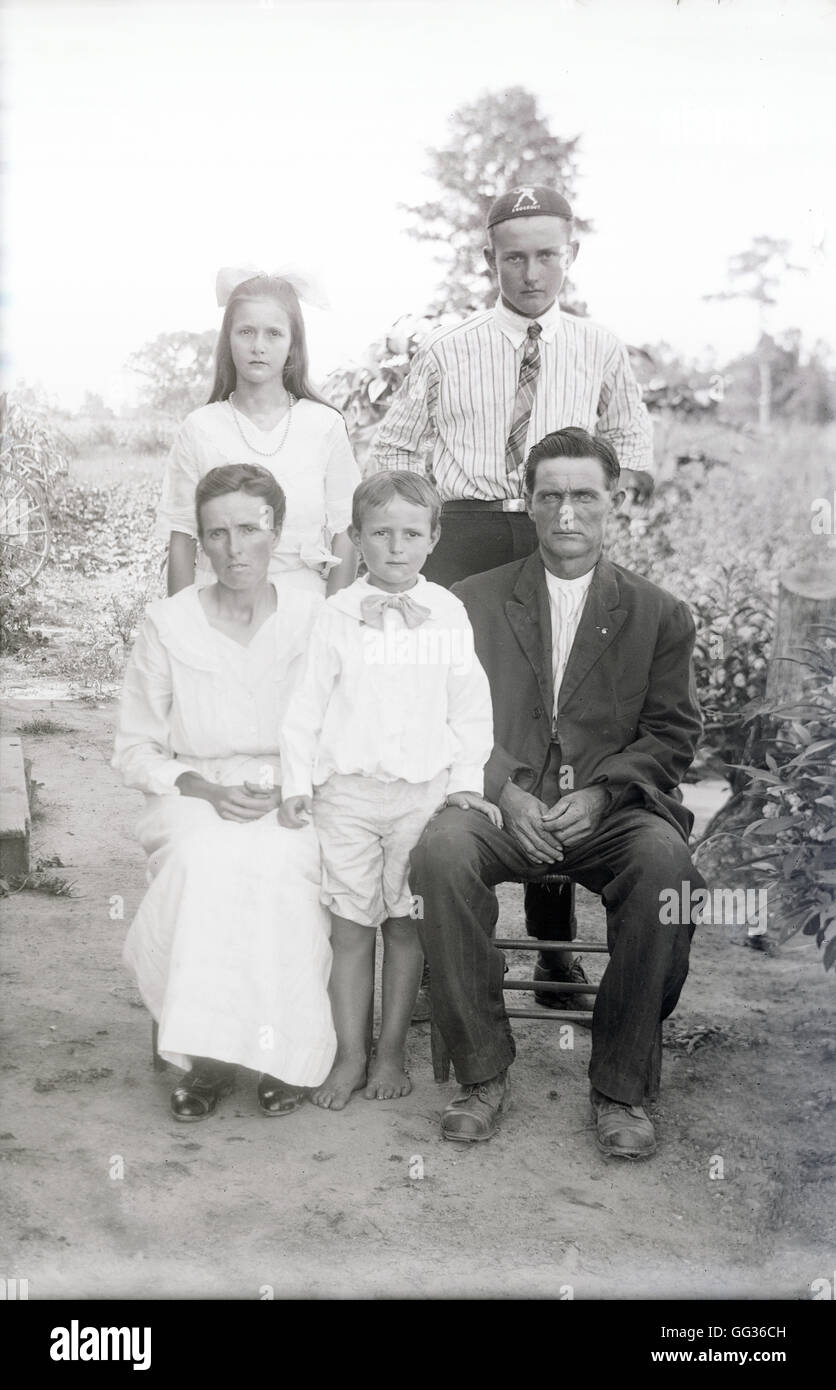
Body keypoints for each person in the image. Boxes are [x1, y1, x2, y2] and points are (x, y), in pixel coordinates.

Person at [373, 185, 655, 1002]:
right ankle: (442, 946)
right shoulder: (449, 347)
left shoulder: (599, 347)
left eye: (546, 254)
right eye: (513, 256)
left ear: (570, 254)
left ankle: (554, 948)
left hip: (556, 533)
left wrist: (599, 520)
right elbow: (393, 445)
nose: (531, 271)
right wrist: (420, 536)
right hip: (464, 536)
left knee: (552, 725)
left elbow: (632, 442)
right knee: (457, 718)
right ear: (488, 259)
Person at [409, 427, 705, 1159]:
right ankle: (481, 1074)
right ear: (530, 505)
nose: (567, 512)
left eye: (584, 496)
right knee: (441, 853)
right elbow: (432, 716)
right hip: (500, 807)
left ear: (614, 505)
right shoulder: (469, 602)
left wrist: (604, 795)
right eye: (551, 497)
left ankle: (621, 1086)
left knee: (669, 872)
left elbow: (671, 734)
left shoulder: (660, 613)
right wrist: (505, 790)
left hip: (609, 813)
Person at [113, 464, 336, 1122]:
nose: (234, 548)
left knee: (280, 866)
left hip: (294, 788)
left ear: (277, 529)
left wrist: (294, 786)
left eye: (249, 528)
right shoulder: (168, 623)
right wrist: (203, 788)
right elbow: (135, 746)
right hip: (192, 787)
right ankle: (204, 1057)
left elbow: (340, 724)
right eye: (217, 534)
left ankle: (280, 1053)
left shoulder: (314, 616)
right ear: (200, 543)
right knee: (205, 863)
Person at [278, 471, 497, 1111]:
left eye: (410, 534)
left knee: (405, 926)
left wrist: (463, 784)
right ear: (356, 538)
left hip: (420, 796)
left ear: (433, 539)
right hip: (344, 795)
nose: (395, 548)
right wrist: (296, 784)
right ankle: (349, 1054)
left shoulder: (449, 613)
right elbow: (305, 709)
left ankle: (392, 1049)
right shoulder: (334, 616)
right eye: (380, 534)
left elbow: (469, 707)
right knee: (349, 927)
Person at [159, 268, 361, 598]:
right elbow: (182, 537)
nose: (258, 346)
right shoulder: (200, 428)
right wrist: (184, 627)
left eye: (274, 334)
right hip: (217, 608)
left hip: (303, 610)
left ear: (293, 343)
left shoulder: (324, 425)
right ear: (228, 340)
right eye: (246, 332)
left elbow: (345, 533)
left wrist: (333, 623)